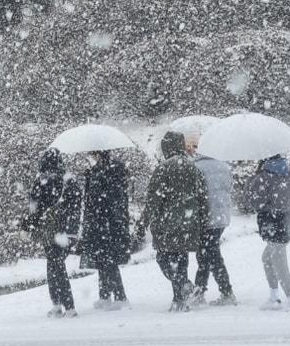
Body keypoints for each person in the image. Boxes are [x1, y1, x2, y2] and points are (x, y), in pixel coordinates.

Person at [135, 130, 210, 311]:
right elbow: (203, 198)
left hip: (166, 225)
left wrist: (142, 224)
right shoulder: (193, 168)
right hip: (189, 223)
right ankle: (180, 299)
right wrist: (203, 222)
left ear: (166, 147)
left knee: (164, 259)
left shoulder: (163, 169)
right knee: (181, 261)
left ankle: (183, 288)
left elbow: (153, 201)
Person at [23, 148, 83, 317]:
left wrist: (26, 226)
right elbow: (75, 207)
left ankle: (60, 305)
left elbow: (33, 207)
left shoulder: (41, 179)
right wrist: (72, 232)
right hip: (63, 232)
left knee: (53, 266)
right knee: (56, 265)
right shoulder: (67, 180)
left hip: (48, 230)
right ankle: (65, 305)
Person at [243, 152, 290, 310]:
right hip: (288, 223)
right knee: (267, 258)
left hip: (273, 224)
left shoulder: (264, 177)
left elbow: (252, 201)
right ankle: (274, 297)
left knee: (279, 262)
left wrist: (253, 179)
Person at [186, 131, 236, 306]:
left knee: (209, 255)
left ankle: (224, 292)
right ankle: (203, 290)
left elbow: (193, 194)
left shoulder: (195, 167)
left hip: (206, 218)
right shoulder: (223, 165)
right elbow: (229, 188)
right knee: (207, 253)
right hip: (221, 217)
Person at [80, 149, 132, 309]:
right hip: (107, 223)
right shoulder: (106, 170)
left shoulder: (106, 172)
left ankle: (119, 296)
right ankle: (105, 295)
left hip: (105, 223)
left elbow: (100, 199)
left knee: (107, 260)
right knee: (103, 260)